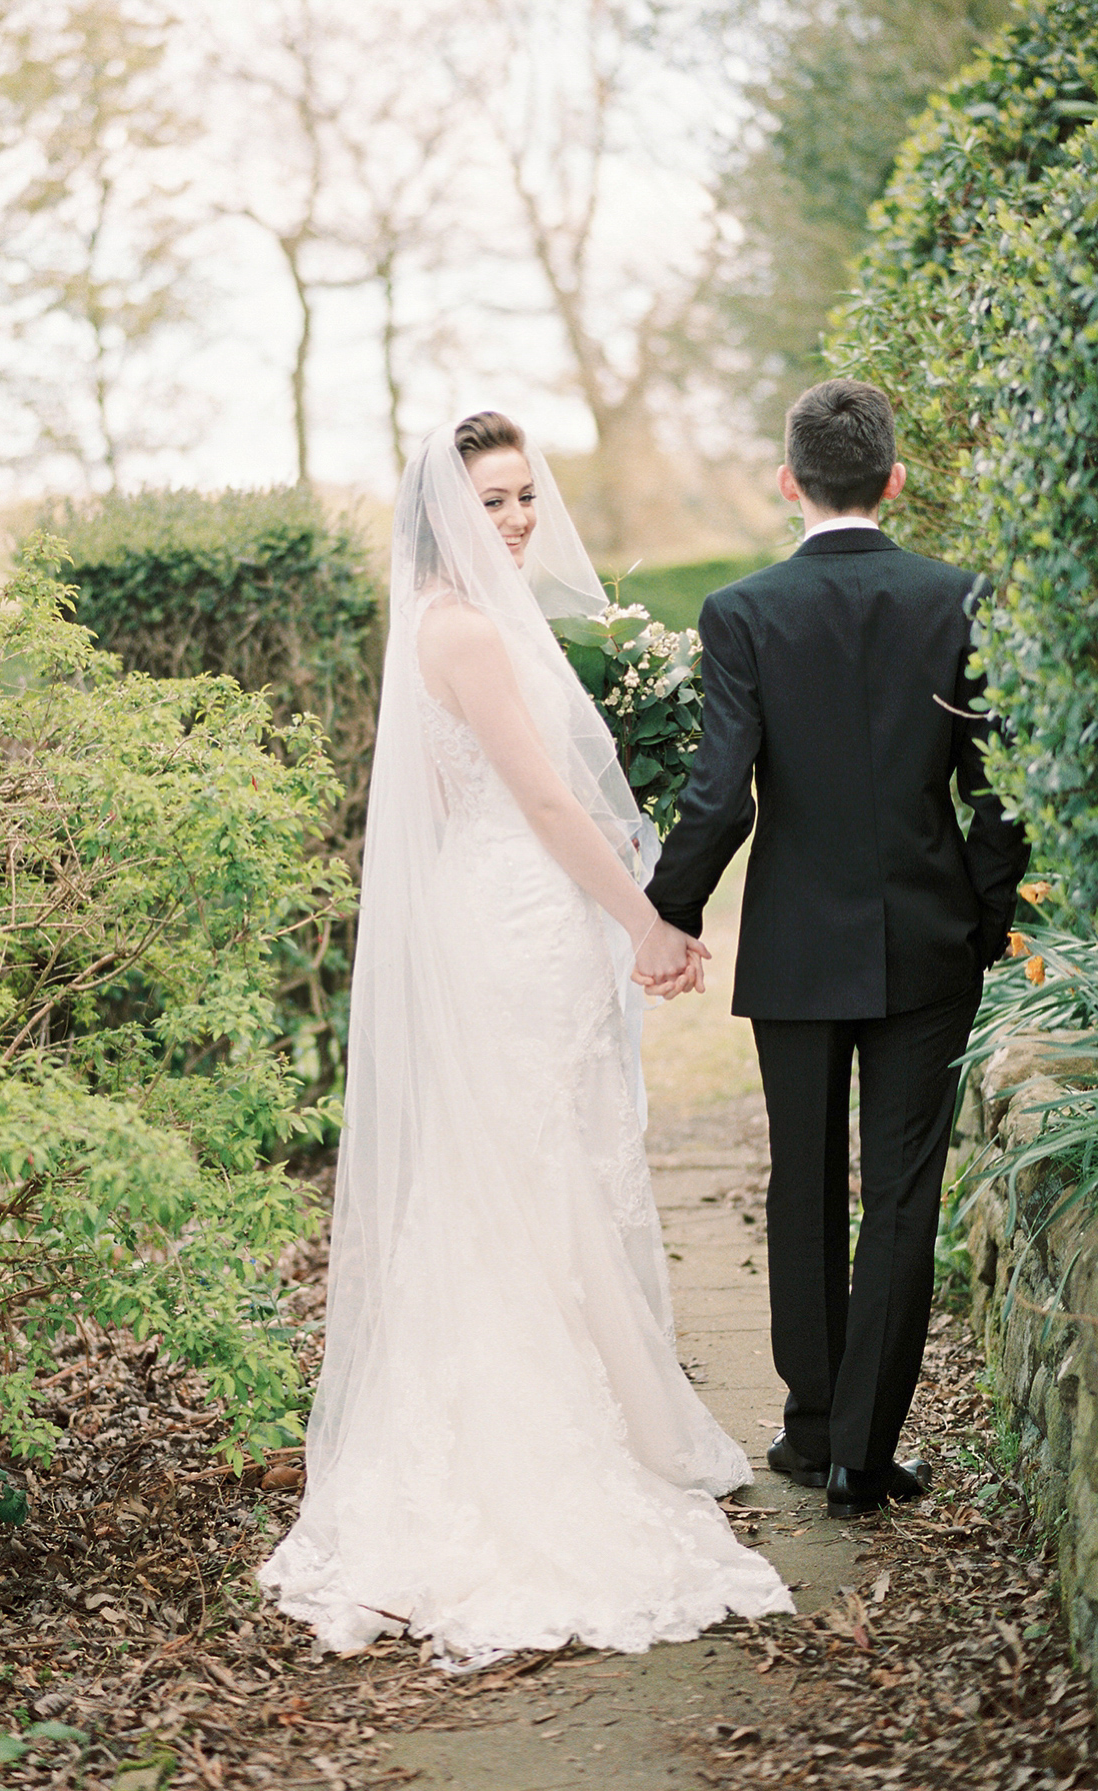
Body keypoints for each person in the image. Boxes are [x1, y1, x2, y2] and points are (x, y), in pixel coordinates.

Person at [259, 412, 792, 1658]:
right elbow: (547, 800)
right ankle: (522, 1447)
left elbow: (459, 803)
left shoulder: (448, 628)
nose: (513, 521)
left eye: (522, 499)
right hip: (516, 925)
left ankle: (580, 1401)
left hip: (500, 911)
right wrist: (652, 922)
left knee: (527, 1166)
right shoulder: (470, 634)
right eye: (489, 502)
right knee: (523, 1165)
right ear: (444, 514)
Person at [645, 378, 1029, 1519]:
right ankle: (863, 1450)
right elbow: (998, 794)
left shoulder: (741, 613)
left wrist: (670, 908)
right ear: (895, 480)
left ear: (787, 482)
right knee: (905, 1196)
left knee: (804, 1180)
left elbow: (721, 800)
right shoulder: (960, 599)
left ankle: (812, 1430)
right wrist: (987, 918)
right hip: (930, 945)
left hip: (798, 948)